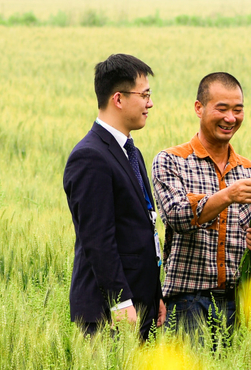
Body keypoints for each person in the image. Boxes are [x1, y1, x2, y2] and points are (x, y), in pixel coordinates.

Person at [152, 72, 251, 339]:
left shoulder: (249, 170)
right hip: (187, 303)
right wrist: (227, 196)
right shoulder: (171, 161)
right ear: (199, 108)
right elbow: (176, 216)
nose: (231, 118)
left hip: (242, 302)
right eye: (222, 109)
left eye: (238, 110)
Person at [63, 54, 164, 339]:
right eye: (144, 95)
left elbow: (143, 227)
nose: (150, 103)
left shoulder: (131, 152)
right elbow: (98, 239)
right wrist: (119, 301)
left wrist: (154, 294)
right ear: (118, 99)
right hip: (110, 313)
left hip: (139, 304)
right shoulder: (90, 156)